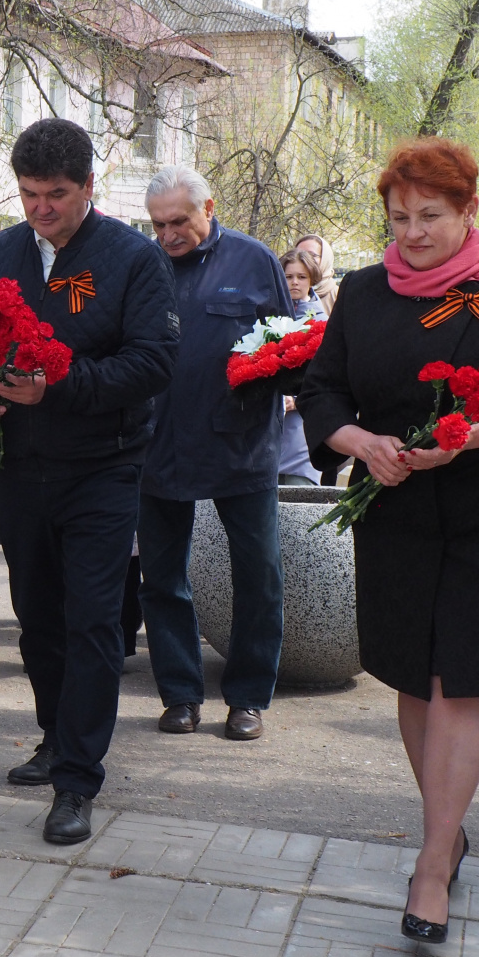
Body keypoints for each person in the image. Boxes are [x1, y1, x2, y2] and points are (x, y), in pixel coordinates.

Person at [297, 138, 479, 944]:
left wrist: (472, 438)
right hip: (395, 515)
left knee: (461, 679)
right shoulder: (361, 291)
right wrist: (361, 444)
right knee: (416, 680)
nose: (413, 232)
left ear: (470, 212)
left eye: (431, 216)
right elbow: (324, 391)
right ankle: (447, 831)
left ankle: (431, 864)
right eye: (399, 218)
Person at [0, 118, 180, 845]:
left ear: (89, 188)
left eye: (57, 194)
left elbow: (154, 363)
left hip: (103, 465)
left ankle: (78, 777)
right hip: (20, 464)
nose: (41, 208)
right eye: (29, 194)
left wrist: (58, 387)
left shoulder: (133, 259)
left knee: (94, 620)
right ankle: (54, 735)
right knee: (39, 620)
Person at [139, 165, 292, 742]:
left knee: (260, 574)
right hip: (156, 441)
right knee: (161, 577)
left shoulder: (255, 261)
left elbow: (285, 345)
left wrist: (263, 378)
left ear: (209, 206)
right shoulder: (144, 260)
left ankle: (249, 697)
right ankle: (179, 694)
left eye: (179, 221)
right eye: (159, 224)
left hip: (240, 443)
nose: (169, 234)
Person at [279, 248, 328, 487]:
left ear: (312, 279)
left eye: (302, 277)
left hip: (302, 429)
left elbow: (330, 378)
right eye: (288, 277)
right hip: (270, 427)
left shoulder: (323, 323)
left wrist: (297, 400)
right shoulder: (270, 316)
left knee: (300, 490)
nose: (295, 283)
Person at [296, 232, 338, 315]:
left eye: (311, 255)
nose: (304, 259)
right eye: (299, 254)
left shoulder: (338, 296)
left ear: (325, 259)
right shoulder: (286, 293)